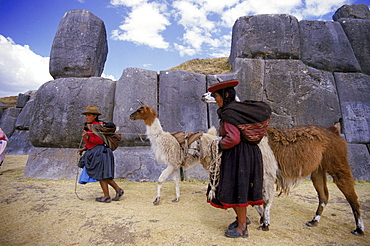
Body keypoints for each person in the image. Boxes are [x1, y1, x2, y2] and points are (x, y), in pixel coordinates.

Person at [206, 80, 271, 238]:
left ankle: (242, 228)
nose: (215, 99)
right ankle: (243, 219)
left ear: (226, 95)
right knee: (241, 188)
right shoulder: (239, 112)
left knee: (237, 189)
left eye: (217, 96)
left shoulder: (229, 113)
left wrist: (219, 145)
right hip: (250, 153)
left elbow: (233, 138)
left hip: (238, 156)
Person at [77, 105, 124, 203]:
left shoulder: (96, 126)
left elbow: (100, 140)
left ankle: (107, 196)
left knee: (101, 175)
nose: (87, 117)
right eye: (86, 115)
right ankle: (118, 190)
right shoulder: (90, 126)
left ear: (95, 116)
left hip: (101, 152)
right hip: (97, 152)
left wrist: (88, 137)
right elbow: (92, 143)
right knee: (103, 175)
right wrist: (84, 148)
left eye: (89, 115)